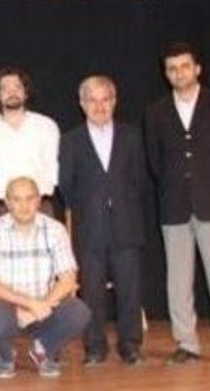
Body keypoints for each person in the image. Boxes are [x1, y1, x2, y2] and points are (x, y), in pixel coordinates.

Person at [144, 42, 210, 367]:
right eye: (172, 68)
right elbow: (155, 162)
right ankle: (186, 343)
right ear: (166, 74)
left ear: (197, 68)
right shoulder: (156, 111)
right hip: (174, 205)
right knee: (178, 279)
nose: (179, 73)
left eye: (185, 66)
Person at [59, 75, 148, 365]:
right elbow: (66, 185)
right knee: (92, 291)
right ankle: (95, 346)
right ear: (82, 104)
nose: (99, 106)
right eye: (92, 100)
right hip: (90, 226)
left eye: (105, 100)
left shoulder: (132, 137)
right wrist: (91, 207)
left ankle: (130, 344)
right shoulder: (70, 140)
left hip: (127, 225)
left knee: (129, 290)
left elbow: (140, 180)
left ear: (114, 101)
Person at [0, 178, 90, 378]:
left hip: (44, 309)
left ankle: (43, 350)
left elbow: (68, 278)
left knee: (79, 312)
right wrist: (29, 304)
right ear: (7, 203)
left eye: (30, 198)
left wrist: (42, 305)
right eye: (17, 199)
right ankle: (6, 355)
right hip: (10, 309)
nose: (24, 206)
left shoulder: (56, 230)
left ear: (39, 200)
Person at [0, 68, 60, 217]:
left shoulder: (46, 125)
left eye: (17, 87)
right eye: (5, 88)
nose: (12, 92)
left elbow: (53, 170)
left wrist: (31, 199)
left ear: (26, 93)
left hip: (38, 207)